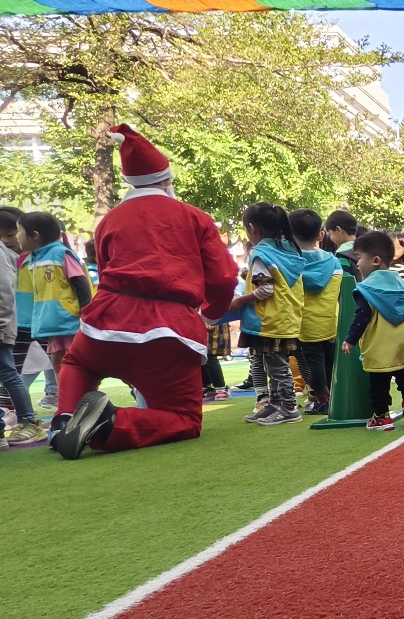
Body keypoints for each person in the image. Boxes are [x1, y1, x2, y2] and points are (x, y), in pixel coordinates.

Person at [51, 124, 238, 460]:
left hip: (107, 322)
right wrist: (211, 314)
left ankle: (64, 419)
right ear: (166, 180)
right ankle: (108, 424)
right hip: (170, 331)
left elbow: (106, 270)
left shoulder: (109, 220)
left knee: (78, 362)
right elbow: (224, 277)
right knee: (183, 419)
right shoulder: (194, 217)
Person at [229, 202, 305, 427]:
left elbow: (265, 289)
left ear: (251, 228)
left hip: (270, 320)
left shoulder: (261, 254)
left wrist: (239, 301)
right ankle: (275, 404)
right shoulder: (287, 249)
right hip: (284, 317)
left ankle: (289, 408)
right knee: (273, 363)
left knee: (277, 366)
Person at [340, 232, 404, 431]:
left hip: (380, 344)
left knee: (379, 382)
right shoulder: (402, 283)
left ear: (375, 261)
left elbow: (362, 316)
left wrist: (350, 339)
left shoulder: (367, 289)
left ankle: (381, 416)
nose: (357, 263)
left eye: (359, 258)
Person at [17, 211, 92, 396]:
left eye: (19, 231)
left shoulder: (60, 253)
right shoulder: (35, 257)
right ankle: (65, 399)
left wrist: (85, 312)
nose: (17, 236)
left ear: (35, 235)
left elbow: (80, 282)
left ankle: (81, 397)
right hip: (51, 323)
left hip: (68, 321)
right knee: (57, 362)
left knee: (76, 362)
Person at [0, 211, 44, 445]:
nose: (8, 240)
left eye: (11, 235)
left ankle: (29, 420)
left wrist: (1, 325)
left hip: (20, 324)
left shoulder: (4, 255)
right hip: (14, 324)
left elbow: (4, 294)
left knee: (9, 373)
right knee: (9, 373)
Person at [291, 208, 341, 415]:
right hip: (331, 320)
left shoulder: (292, 264)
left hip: (306, 322)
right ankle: (332, 397)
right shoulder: (334, 261)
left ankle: (321, 399)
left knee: (314, 363)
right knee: (329, 361)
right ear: (321, 234)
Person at [324, 211, 361, 275]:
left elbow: (345, 278)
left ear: (338, 230)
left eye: (330, 234)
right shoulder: (365, 250)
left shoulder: (342, 254)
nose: (330, 238)